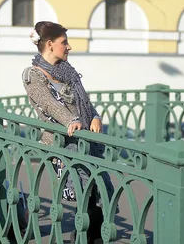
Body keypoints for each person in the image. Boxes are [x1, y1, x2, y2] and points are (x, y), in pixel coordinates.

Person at [22, 21, 116, 243]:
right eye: (64, 42)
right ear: (50, 44)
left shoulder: (68, 72)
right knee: (82, 195)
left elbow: (84, 102)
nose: (69, 47)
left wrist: (94, 116)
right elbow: (47, 104)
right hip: (60, 145)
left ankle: (89, 238)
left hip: (84, 142)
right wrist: (70, 120)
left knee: (98, 192)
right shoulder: (32, 74)